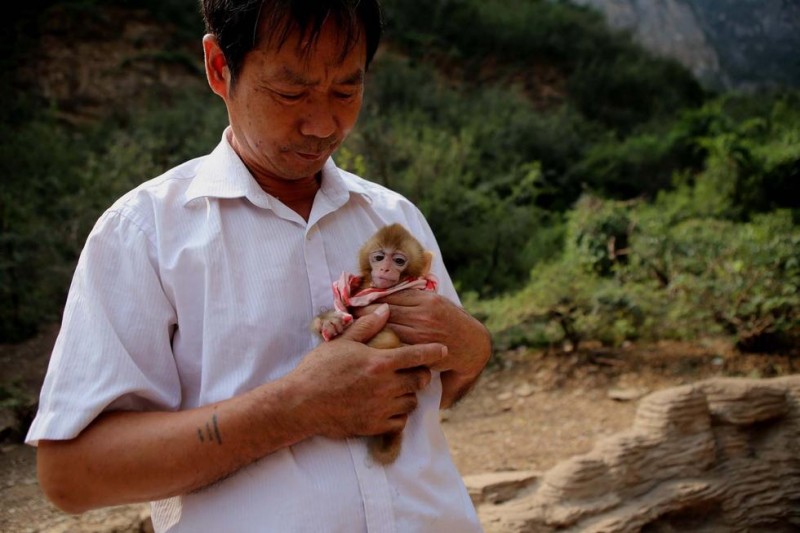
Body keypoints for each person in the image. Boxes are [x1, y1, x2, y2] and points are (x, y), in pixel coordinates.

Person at [26, 1, 491, 531]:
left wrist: (473, 350)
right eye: (290, 91)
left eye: (346, 89)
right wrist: (296, 406)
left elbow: (438, 388)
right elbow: (70, 475)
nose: (323, 123)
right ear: (220, 68)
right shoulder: (143, 233)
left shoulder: (393, 216)